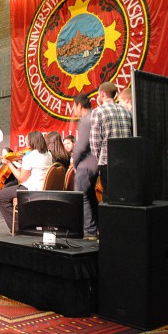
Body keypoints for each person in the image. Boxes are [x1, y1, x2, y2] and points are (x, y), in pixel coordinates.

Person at [0, 131, 53, 233]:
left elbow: (22, 178)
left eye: (27, 142)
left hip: (30, 189)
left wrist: (9, 163)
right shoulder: (48, 154)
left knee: (0, 195)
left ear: (31, 143)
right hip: (44, 188)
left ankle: (17, 226)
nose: (26, 145)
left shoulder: (30, 157)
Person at [90, 82, 133, 202]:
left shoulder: (98, 112)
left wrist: (97, 163)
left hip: (107, 163)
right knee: (124, 198)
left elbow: (95, 143)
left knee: (109, 199)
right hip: (126, 162)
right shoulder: (126, 112)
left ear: (102, 93)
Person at [73, 94, 99, 239]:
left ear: (79, 105)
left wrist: (74, 162)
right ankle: (96, 228)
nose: (73, 110)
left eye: (74, 107)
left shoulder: (85, 120)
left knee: (82, 196)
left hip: (86, 164)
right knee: (90, 196)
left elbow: (81, 146)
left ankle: (90, 231)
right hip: (96, 163)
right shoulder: (95, 117)